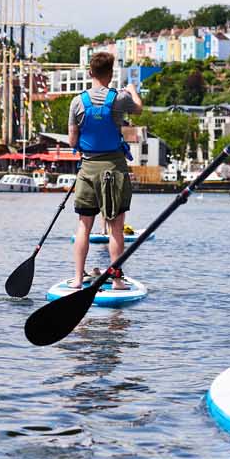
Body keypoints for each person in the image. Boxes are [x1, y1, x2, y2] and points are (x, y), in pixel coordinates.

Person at [67, 51, 143, 290]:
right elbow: (138, 109)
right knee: (115, 227)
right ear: (110, 74)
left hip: (87, 169)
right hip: (114, 169)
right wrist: (131, 90)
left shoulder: (77, 102)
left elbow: (72, 141)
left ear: (90, 73)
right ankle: (118, 281)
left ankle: (78, 279)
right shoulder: (119, 98)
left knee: (84, 226)